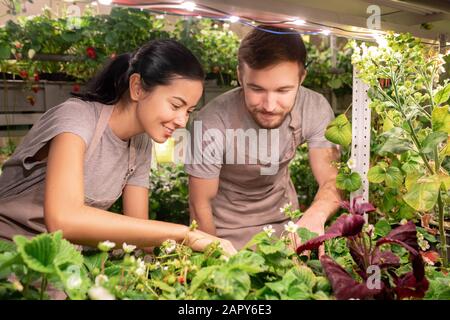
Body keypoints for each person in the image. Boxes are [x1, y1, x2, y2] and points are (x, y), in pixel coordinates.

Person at [0, 39, 236, 255]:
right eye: (176, 105)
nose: (182, 121)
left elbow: (141, 237)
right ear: (137, 88)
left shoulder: (141, 143)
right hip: (11, 257)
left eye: (189, 111)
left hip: (63, 261)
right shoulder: (77, 119)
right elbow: (63, 219)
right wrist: (183, 234)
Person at [186, 26, 342, 250]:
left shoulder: (314, 107)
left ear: (301, 78)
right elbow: (200, 204)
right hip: (224, 233)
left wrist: (314, 216)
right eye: (257, 89)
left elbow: (332, 179)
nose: (269, 105)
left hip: (286, 226)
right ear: (240, 76)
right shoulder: (211, 121)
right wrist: (214, 256)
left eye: (283, 91)